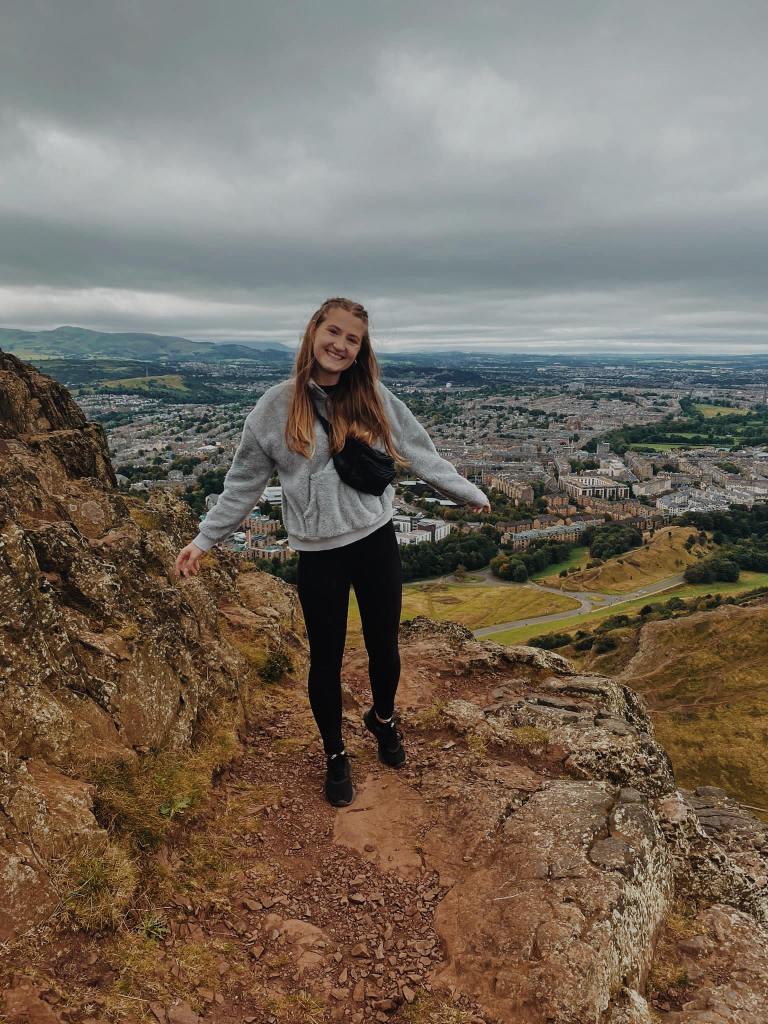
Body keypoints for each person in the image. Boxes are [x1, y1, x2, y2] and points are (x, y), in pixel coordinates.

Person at [174, 297, 491, 807]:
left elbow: (418, 449)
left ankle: (383, 718)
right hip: (319, 552)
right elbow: (243, 485)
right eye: (334, 332)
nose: (341, 345)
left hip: (375, 537)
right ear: (314, 331)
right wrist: (204, 538)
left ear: (361, 350)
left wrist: (467, 492)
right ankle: (335, 754)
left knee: (384, 647)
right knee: (326, 659)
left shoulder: (372, 396)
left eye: (353, 339)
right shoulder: (274, 408)